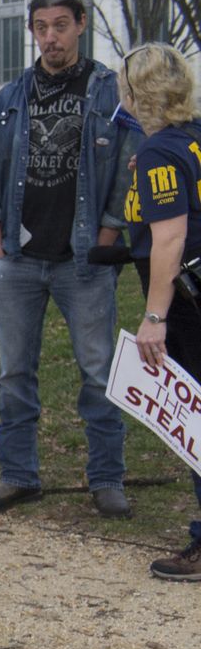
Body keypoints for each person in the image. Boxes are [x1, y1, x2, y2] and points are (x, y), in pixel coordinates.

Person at [0, 0, 135, 518]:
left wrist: (104, 242)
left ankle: (107, 479)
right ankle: (18, 475)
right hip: (17, 262)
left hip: (83, 260)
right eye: (41, 27)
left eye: (60, 25)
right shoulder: (9, 99)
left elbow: (123, 179)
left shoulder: (110, 93)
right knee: (14, 374)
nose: (50, 37)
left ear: (81, 25)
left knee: (99, 372)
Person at [118, 42, 201, 579]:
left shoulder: (160, 153)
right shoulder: (187, 140)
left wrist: (154, 318)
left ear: (137, 93)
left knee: (198, 417)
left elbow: (169, 237)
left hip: (188, 302)